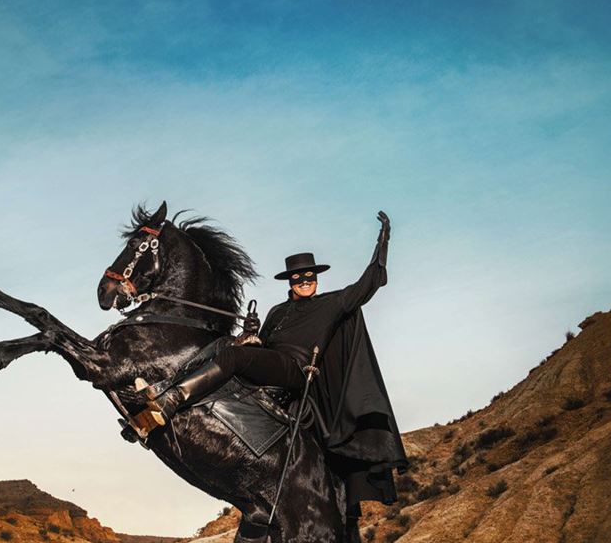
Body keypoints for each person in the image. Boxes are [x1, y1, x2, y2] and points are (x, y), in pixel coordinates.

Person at [131, 211, 406, 510]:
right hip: (272, 361)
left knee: (234, 356)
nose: (305, 281)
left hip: (295, 369)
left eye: (310, 277)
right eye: (299, 278)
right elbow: (260, 346)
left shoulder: (332, 304)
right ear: (290, 281)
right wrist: (251, 335)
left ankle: (172, 400)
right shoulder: (277, 311)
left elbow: (370, 283)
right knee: (224, 345)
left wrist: (383, 241)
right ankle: (161, 394)